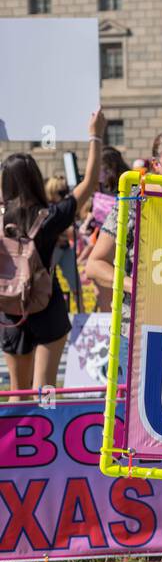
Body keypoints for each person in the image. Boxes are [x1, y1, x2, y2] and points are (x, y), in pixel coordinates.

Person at [1, 110, 105, 395]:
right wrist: (95, 134)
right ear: (36, 179)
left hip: (11, 310)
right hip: (47, 305)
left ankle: (15, 440)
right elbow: (89, 183)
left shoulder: (1, 218)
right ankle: (48, 437)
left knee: (16, 393)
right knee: (44, 390)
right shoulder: (49, 217)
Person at [86, 127, 162, 297]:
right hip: (141, 315)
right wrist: (137, 287)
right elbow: (95, 265)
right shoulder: (134, 201)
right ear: (155, 164)